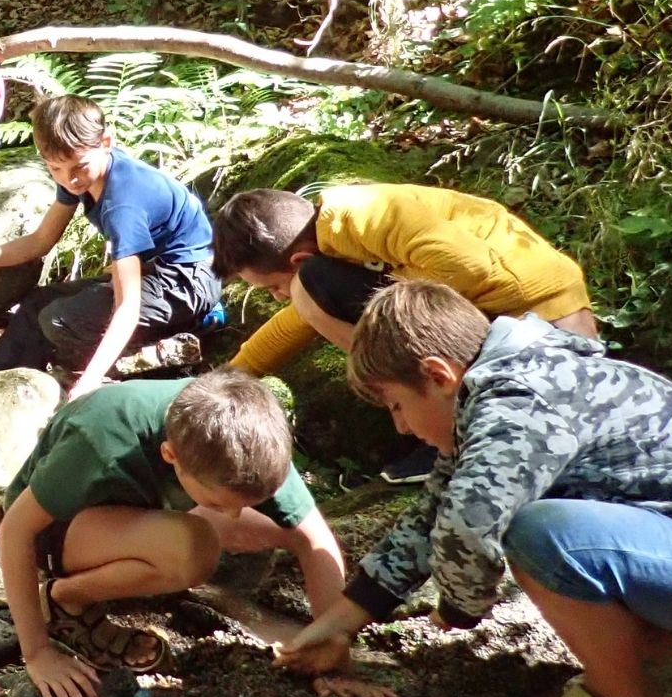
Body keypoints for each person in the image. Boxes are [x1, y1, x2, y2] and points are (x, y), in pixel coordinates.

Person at [276, 282, 672, 697]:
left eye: (397, 406)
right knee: (554, 528)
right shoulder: (503, 390)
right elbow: (430, 514)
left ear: (439, 375)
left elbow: (467, 524)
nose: (403, 427)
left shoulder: (519, 403)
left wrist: (459, 609)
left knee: (540, 533)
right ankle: (669, 659)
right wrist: (338, 625)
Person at [0, 371, 352, 697]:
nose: (233, 515)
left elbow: (315, 540)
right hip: (59, 527)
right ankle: (64, 599)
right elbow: (15, 530)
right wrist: (38, 653)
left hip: (133, 510)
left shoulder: (250, 435)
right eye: (219, 503)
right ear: (170, 455)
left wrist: (334, 651)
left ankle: (156, 546)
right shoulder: (101, 440)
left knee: (276, 527)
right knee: (194, 549)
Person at [213, 183, 596, 482]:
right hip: (515, 317)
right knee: (311, 290)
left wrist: (389, 314)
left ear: (298, 258)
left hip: (543, 319)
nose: (279, 297)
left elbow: (470, 267)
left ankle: (450, 429)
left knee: (311, 287)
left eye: (271, 288)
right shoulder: (333, 231)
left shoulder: (365, 217)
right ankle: (443, 421)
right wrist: (234, 373)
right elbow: (300, 318)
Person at [0, 96, 219, 402]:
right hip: (156, 272)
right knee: (38, 304)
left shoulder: (124, 204)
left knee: (59, 321)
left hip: (187, 282)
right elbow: (40, 241)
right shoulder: (79, 175)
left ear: (106, 142)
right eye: (55, 168)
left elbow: (127, 307)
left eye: (78, 167)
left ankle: (192, 322)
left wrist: (89, 381)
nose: (70, 181)